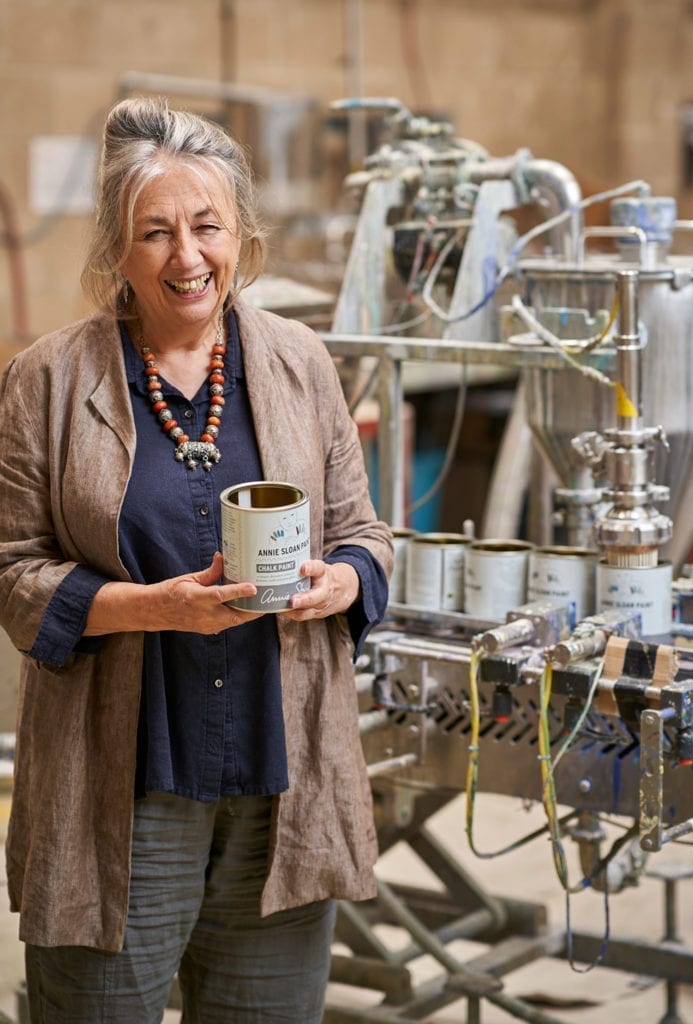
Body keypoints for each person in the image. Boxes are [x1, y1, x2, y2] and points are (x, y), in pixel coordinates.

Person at [0, 96, 392, 1022]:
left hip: (281, 775)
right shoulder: (48, 381)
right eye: (156, 232)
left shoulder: (301, 363)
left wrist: (340, 582)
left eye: (207, 226)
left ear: (240, 234)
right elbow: (12, 571)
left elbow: (366, 537)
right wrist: (151, 608)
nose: (188, 256)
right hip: (124, 788)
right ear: (116, 252)